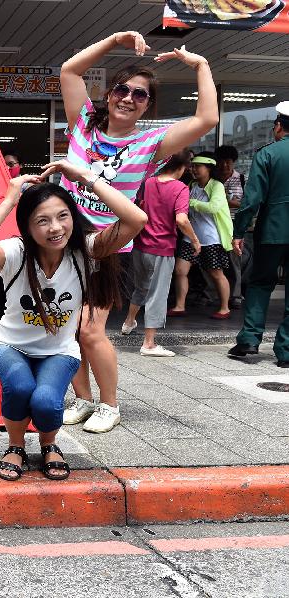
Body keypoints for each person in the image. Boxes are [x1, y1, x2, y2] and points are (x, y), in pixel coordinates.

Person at [58, 31, 218, 433]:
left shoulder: (150, 142)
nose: (128, 97)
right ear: (110, 94)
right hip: (62, 239)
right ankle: (82, 398)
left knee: (90, 329)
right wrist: (113, 40)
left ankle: (109, 405)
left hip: (110, 243)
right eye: (122, 89)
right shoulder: (83, 127)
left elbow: (207, 119)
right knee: (64, 329)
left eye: (140, 94)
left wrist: (200, 66)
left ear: (148, 106)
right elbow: (69, 70)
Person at [0, 160, 146, 482]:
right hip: (8, 346)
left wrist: (87, 178)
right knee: (19, 387)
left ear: (73, 217)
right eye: (41, 221)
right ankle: (15, 446)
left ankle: (48, 445)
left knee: (44, 400)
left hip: (58, 351)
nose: (55, 228)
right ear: (27, 227)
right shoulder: (15, 251)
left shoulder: (86, 250)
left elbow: (136, 219)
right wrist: (8, 201)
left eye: (62, 216)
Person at [121, 150, 200, 356]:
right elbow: (182, 220)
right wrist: (194, 240)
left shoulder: (147, 183)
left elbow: (135, 207)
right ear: (182, 168)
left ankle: (129, 322)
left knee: (141, 287)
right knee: (158, 293)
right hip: (162, 248)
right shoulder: (180, 188)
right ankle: (149, 343)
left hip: (140, 246)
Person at [228, 102, 289, 367]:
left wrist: (238, 231)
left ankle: (249, 341)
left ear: (278, 126)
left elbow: (251, 200)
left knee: (261, 284)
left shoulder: (268, 154)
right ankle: (286, 352)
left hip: (272, 231)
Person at [169, 152, 233, 319]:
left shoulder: (216, 186)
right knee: (180, 270)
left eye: (198, 166)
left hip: (211, 239)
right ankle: (179, 306)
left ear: (209, 168)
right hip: (190, 237)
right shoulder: (191, 185)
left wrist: (189, 202)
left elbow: (213, 207)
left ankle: (225, 308)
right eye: (193, 166)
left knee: (216, 273)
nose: (193, 169)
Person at [216, 144, 247, 309]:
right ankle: (214, 294)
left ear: (233, 162)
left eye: (228, 161)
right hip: (214, 225)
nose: (225, 165)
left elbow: (246, 204)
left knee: (236, 260)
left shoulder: (241, 179)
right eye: (221, 161)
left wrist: (225, 202)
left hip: (234, 226)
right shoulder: (212, 179)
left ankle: (235, 295)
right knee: (213, 260)